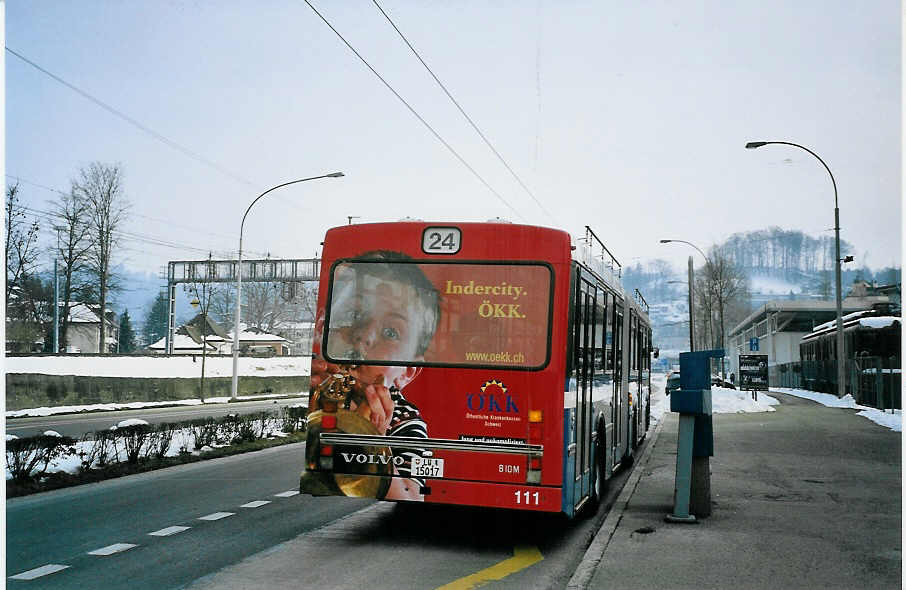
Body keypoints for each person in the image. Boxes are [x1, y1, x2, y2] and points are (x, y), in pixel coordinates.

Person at [310, 250, 440, 501]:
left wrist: (375, 442)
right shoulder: (322, 385)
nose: (364, 336)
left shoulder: (404, 421)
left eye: (391, 333)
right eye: (355, 316)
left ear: (407, 371)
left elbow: (411, 494)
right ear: (322, 330)